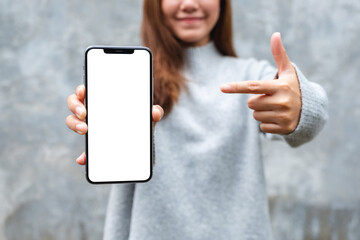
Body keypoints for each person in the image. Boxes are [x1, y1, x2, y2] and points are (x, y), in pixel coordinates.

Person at [66, 0, 328, 239]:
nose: (189, 4)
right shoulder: (132, 80)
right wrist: (96, 125)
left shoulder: (248, 77)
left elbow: (310, 115)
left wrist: (301, 106)